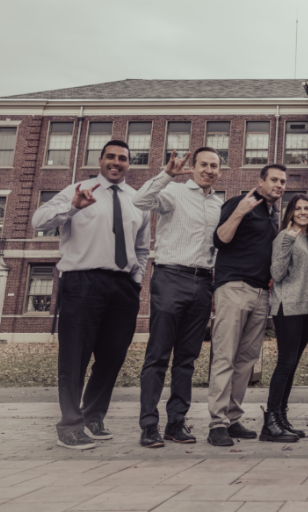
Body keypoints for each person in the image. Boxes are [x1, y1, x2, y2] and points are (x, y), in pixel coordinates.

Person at [32, 140, 150, 450]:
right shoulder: (78, 189)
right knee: (75, 357)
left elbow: (142, 247)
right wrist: (72, 206)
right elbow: (38, 221)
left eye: (122, 158)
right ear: (100, 160)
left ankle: (93, 416)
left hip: (123, 286)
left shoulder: (138, 199)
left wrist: (136, 280)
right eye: (110, 157)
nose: (116, 162)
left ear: (129, 164)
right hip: (82, 282)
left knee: (111, 357)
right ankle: (70, 425)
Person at [133, 147, 223, 448]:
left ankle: (175, 423)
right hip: (170, 277)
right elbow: (140, 200)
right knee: (158, 355)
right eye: (203, 164)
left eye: (214, 166)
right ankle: (148, 425)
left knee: (187, 359)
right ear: (193, 167)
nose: (208, 170)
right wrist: (166, 174)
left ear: (219, 171)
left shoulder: (219, 205)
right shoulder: (173, 192)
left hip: (203, 283)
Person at [206, 163, 288, 447]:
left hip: (260, 292)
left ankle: (232, 417)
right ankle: (217, 423)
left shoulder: (271, 213)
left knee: (246, 361)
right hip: (234, 287)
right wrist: (240, 212)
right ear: (260, 181)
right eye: (274, 180)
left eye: (283, 181)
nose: (279, 185)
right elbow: (221, 239)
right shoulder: (240, 203)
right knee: (225, 356)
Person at [263, 193, 308, 443]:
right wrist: (288, 239)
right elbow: (276, 273)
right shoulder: (284, 237)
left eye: (307, 208)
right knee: (285, 364)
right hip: (288, 308)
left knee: (292, 365)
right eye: (298, 208)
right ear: (290, 213)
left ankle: (282, 418)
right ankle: (270, 422)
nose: (303, 212)